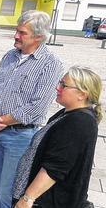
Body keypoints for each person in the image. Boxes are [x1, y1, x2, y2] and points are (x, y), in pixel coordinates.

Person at [0, 10, 64, 208]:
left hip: (19, 137)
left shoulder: (51, 65)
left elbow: (37, 107)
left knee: (10, 191)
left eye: (22, 33)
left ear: (39, 37)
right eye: (16, 30)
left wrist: (1, 121)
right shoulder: (9, 56)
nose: (16, 36)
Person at [12, 66, 102, 208]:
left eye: (63, 85)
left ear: (82, 94)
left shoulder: (79, 122)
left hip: (49, 200)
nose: (57, 87)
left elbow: (55, 167)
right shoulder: (67, 113)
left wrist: (28, 198)